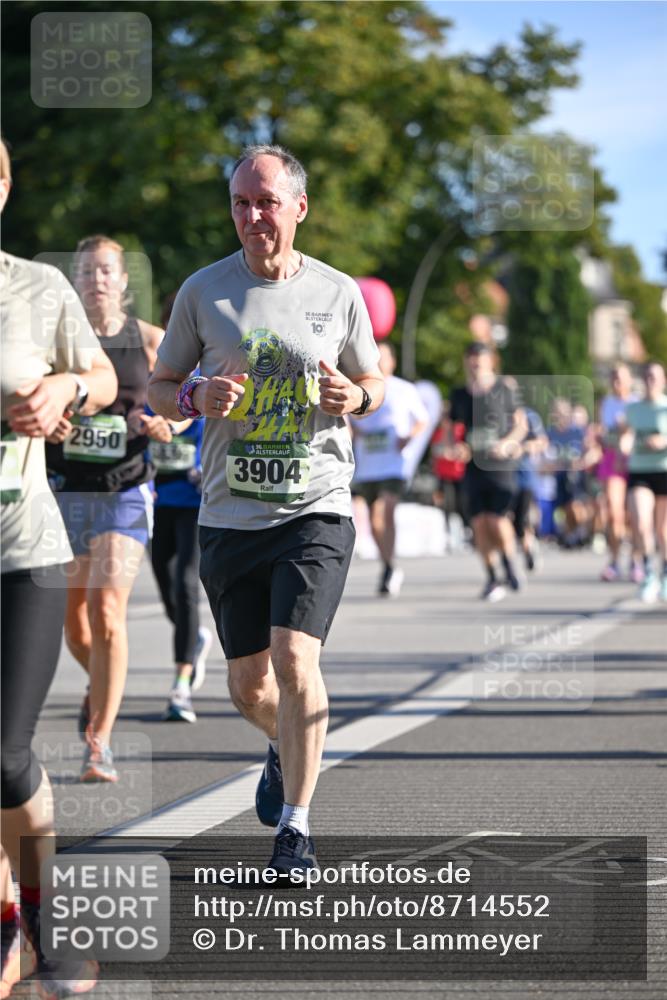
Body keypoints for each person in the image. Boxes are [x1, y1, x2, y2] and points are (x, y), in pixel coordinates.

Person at [147, 145, 384, 874]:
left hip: (315, 506)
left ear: (298, 208)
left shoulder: (338, 292)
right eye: (242, 204)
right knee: (249, 684)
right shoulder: (202, 292)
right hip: (229, 514)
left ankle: (297, 829)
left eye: (267, 202)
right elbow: (159, 389)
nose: (253, 216)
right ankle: (283, 743)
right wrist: (192, 397)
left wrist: (356, 396)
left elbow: (372, 381)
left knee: (294, 658)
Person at [1, 138, 117, 998]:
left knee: (3, 756)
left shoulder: (38, 290)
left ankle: (41, 915)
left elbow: (104, 376)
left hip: (23, 551)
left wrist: (65, 393)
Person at [45, 235, 170, 782]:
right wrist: (51, 418)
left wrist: (172, 422)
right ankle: (101, 683)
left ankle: (100, 742)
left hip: (126, 489)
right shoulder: (57, 345)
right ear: (74, 281)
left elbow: (186, 398)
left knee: (108, 613)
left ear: (123, 281)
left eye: (106, 271)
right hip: (66, 487)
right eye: (86, 271)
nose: (96, 279)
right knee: (74, 624)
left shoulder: (148, 341)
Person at [149, 294, 211, 724]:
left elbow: (191, 419)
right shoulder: (157, 378)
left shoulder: (211, 374)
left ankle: (182, 683)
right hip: (158, 500)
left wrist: (171, 424)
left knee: (186, 584)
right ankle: (195, 641)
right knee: (167, 587)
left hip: (197, 502)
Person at [445, 342, 526, 601]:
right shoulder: (460, 394)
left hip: (499, 465)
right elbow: (450, 427)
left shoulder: (505, 389)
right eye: (470, 357)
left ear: (491, 360)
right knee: (479, 523)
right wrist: (455, 447)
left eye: (480, 357)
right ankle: (492, 574)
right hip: (473, 467)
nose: (475, 362)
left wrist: (507, 444)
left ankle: (510, 563)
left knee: (498, 520)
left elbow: (521, 425)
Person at [349, 341, 428, 595]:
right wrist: (355, 432)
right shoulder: (362, 387)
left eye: (384, 357)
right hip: (368, 465)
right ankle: (389, 565)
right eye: (376, 357)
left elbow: (422, 420)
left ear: (393, 361)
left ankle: (389, 566)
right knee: (374, 520)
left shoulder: (404, 390)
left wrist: (407, 438)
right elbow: (349, 419)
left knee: (385, 511)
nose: (380, 362)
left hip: (394, 465)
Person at [620, 361, 667, 603]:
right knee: (641, 522)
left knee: (663, 531)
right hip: (640, 470)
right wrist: (624, 443)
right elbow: (625, 433)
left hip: (664, 471)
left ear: (663, 381)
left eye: (655, 377)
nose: (650, 381)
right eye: (647, 376)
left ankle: (666, 573)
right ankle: (649, 573)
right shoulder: (633, 409)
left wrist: (663, 442)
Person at [596, 364, 639, 581]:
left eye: (621, 379)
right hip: (612, 459)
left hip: (635, 461)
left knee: (634, 515)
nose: (617, 383)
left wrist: (627, 431)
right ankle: (613, 560)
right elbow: (603, 434)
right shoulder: (607, 404)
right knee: (614, 513)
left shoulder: (636, 403)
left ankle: (636, 560)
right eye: (613, 379)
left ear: (630, 380)